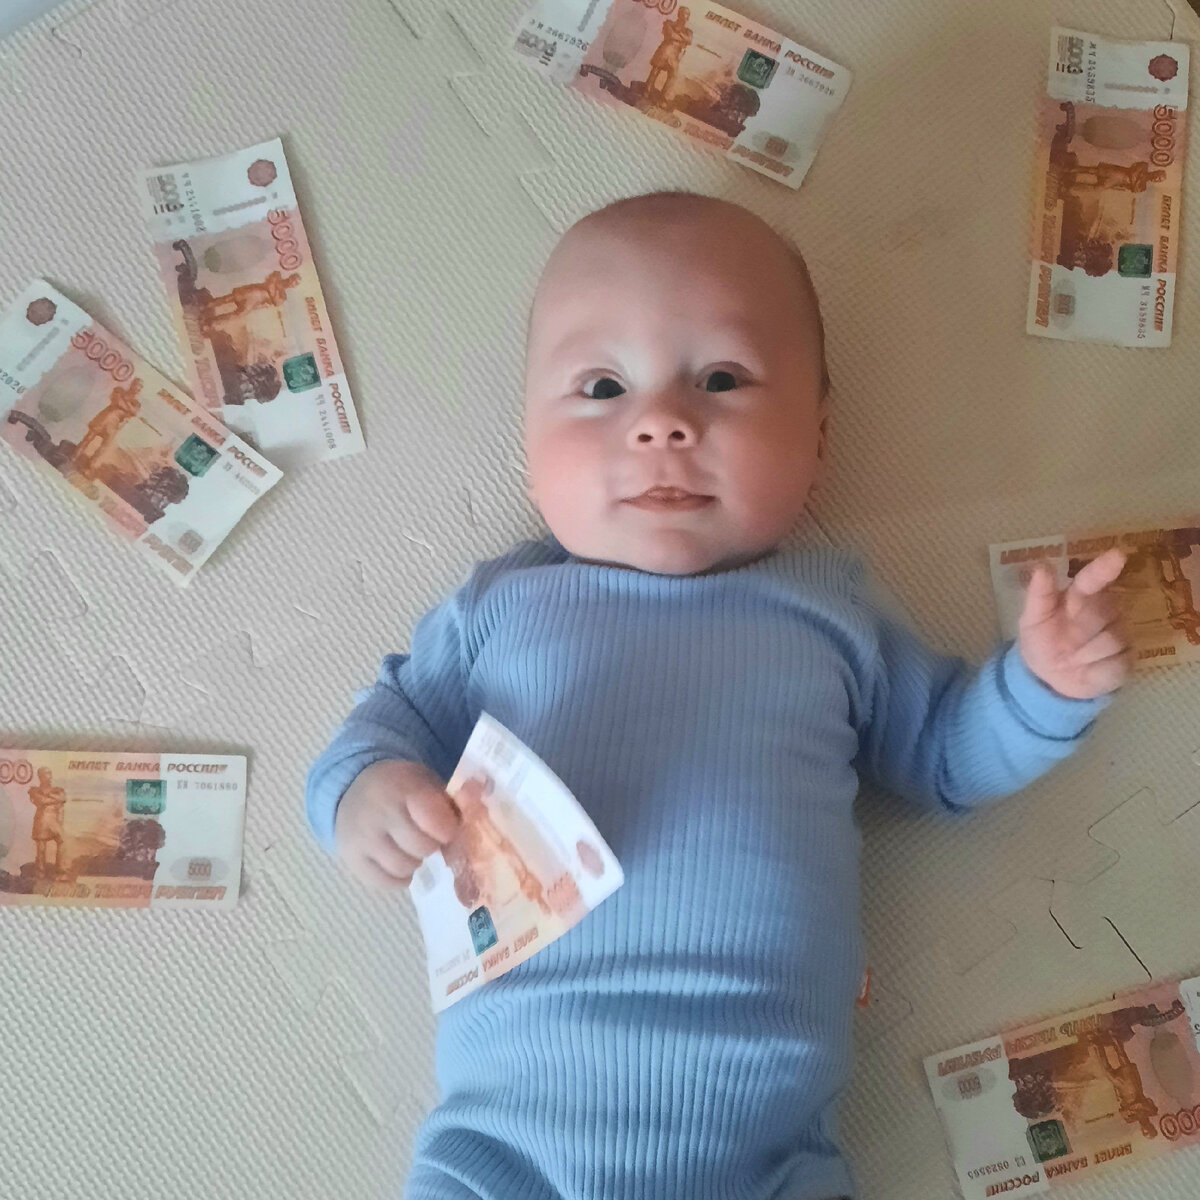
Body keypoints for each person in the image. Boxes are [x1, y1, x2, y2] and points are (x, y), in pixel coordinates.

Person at [306, 192, 1132, 1200]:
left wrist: (1039, 687)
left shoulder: (831, 617)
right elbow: (380, 725)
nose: (662, 422)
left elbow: (948, 756)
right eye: (602, 386)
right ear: (528, 440)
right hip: (505, 1150)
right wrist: (366, 792)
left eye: (722, 379)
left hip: (765, 1154)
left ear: (818, 436)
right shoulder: (500, 609)